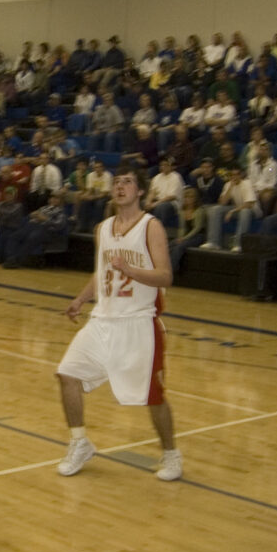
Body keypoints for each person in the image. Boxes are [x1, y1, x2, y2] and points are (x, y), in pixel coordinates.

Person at [55, 164, 181, 481]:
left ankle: (171, 454)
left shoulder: (151, 227)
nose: (120, 187)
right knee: (67, 375)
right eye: (117, 182)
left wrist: (130, 269)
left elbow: (166, 276)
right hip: (102, 320)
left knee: (153, 397)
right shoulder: (103, 228)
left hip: (139, 323)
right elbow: (101, 273)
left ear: (140, 191)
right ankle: (80, 442)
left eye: (127, 182)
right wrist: (81, 299)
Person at [201, 166, 259, 252]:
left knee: (245, 211)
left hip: (252, 210)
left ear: (241, 175)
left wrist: (232, 211)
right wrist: (230, 187)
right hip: (238, 208)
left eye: (237, 174)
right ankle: (214, 242)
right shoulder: (228, 184)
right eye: (232, 175)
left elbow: (249, 204)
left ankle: (238, 244)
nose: (234, 177)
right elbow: (222, 203)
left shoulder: (247, 183)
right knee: (215, 209)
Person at [169, 187, 207, 273]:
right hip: (186, 235)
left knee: (179, 247)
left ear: (195, 199)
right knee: (169, 246)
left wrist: (184, 238)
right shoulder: (182, 211)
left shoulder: (199, 211)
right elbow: (182, 227)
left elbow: (197, 228)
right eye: (186, 197)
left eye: (190, 197)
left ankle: (172, 269)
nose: (188, 199)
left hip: (198, 236)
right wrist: (180, 238)